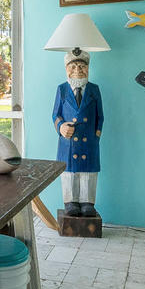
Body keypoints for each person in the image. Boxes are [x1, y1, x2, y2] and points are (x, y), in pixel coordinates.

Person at [52, 47, 102, 218]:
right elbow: (55, 114)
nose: (77, 70)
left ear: (88, 68)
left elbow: (100, 115)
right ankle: (70, 201)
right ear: (67, 69)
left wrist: (97, 134)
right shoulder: (62, 89)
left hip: (89, 141)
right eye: (73, 67)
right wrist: (61, 127)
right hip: (69, 142)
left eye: (82, 66)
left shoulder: (94, 89)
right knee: (70, 173)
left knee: (88, 173)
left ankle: (87, 202)